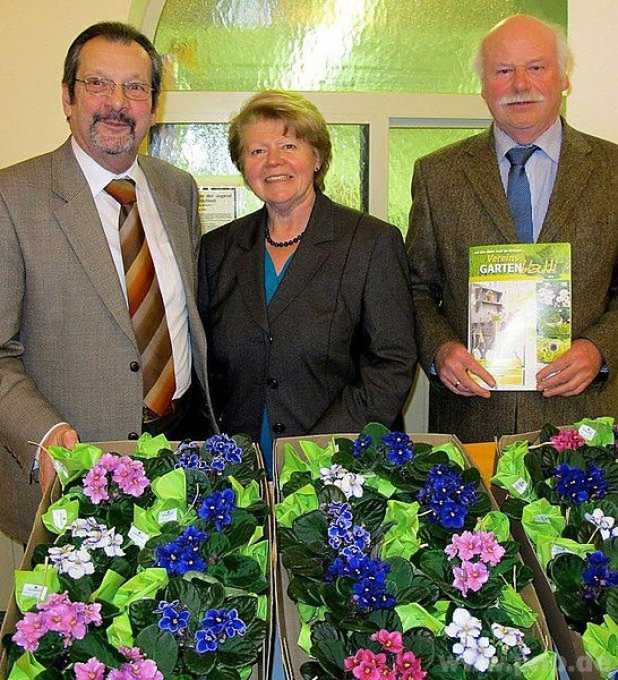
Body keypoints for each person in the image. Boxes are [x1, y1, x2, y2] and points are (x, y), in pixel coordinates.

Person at [0, 22, 216, 543]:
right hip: (74, 476)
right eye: (98, 83)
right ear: (67, 98)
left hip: (181, 458)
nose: (117, 102)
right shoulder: (13, 197)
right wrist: (44, 433)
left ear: (153, 105)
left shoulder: (177, 190)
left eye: (135, 87)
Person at [406, 14, 618, 443]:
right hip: (472, 420)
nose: (520, 84)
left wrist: (599, 350)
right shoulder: (437, 175)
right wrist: (440, 350)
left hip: (585, 421)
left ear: (564, 78)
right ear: (483, 86)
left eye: (536, 67)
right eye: (503, 71)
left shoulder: (613, 171)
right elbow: (415, 288)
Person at [198, 90, 417, 471]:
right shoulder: (217, 249)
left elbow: (392, 363)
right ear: (242, 166)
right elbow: (205, 364)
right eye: (257, 151)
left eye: (288, 145)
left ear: (316, 157)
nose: (274, 161)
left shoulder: (370, 242)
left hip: (342, 460)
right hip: (239, 465)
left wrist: (317, 451)